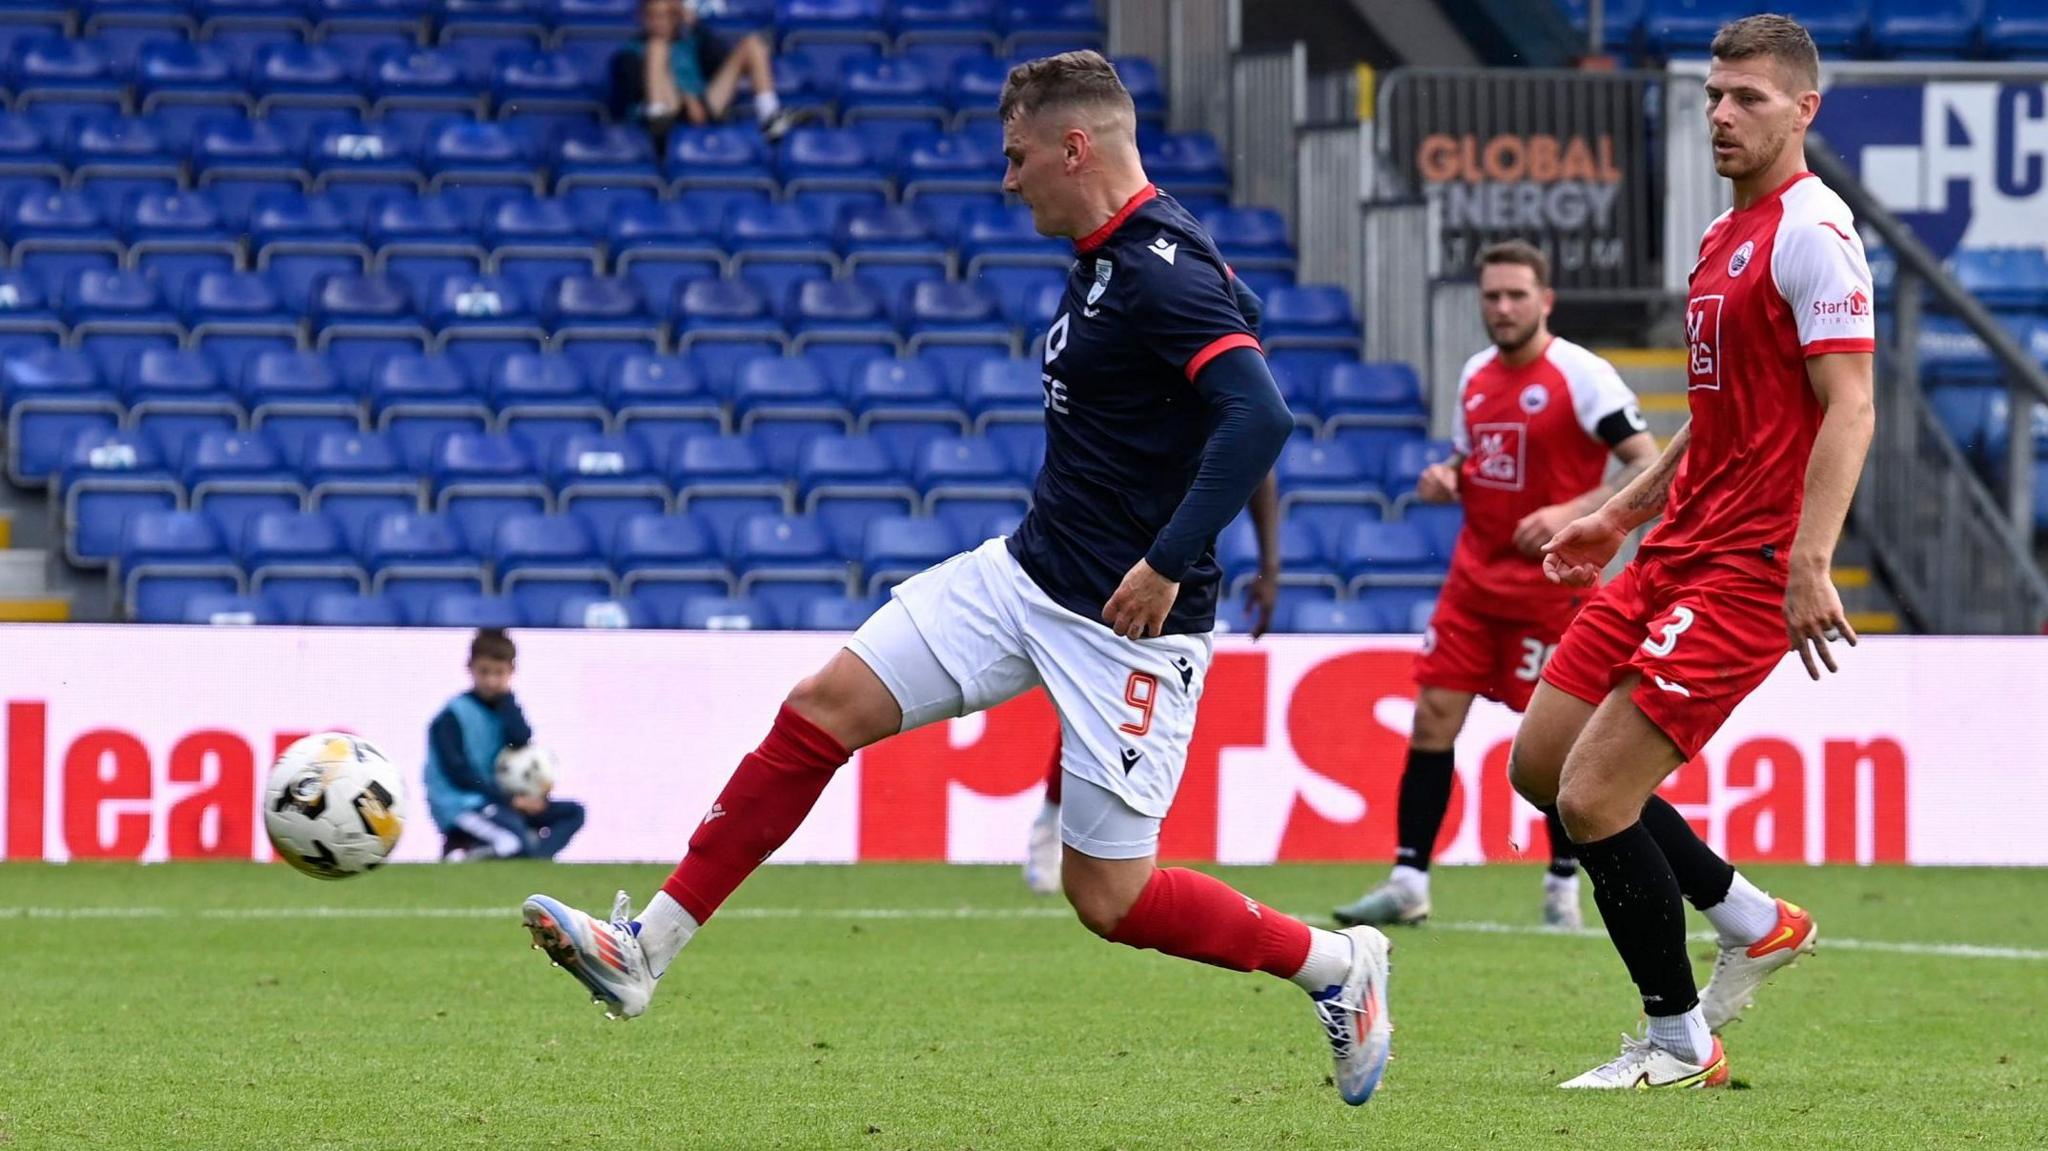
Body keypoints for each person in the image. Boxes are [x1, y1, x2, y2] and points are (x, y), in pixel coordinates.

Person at [521, 51, 1395, 1106]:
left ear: (1076, 146)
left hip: (1127, 626)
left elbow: (1259, 415)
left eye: (1017, 155)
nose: (1006, 177)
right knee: (820, 706)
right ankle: (641, 949)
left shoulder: (1161, 271)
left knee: (1108, 897)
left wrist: (1167, 559)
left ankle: (1338, 966)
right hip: (1024, 574)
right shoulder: (1121, 255)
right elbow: (1220, 351)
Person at [1510, 14, 1870, 1089]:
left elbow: (1849, 404)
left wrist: (1811, 558)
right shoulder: (1723, 237)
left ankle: (1677, 1039)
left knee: (1591, 800)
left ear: (1802, 108)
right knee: (1540, 766)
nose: (1719, 114)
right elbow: (1713, 419)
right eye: (1712, 95)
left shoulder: (1812, 231)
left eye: (1746, 98)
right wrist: (1616, 516)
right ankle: (1751, 918)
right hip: (1671, 548)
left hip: (1747, 567)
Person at [1332, 240, 1659, 930]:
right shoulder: (1476, 375)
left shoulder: (1582, 375)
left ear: (1546, 300)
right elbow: (1471, 457)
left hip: (1556, 588)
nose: (1503, 307)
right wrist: (1447, 477)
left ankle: (1563, 884)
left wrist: (1573, 511)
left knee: (1558, 746)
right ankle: (1408, 879)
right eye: (1492, 296)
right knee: (1431, 719)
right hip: (1475, 583)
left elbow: (1648, 461)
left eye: (1516, 295)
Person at [1025, 285, 1282, 896]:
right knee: (1090, 700)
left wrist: (1271, 567)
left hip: (1169, 575)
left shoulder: (1230, 387)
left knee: (1118, 706)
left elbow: (1258, 464)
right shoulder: (1144, 359)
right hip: (1098, 552)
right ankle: (1058, 824)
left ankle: (1093, 840)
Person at [424, 628, 586, 861]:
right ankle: (463, 855)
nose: (491, 681)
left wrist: (508, 700)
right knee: (513, 842)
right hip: (465, 806)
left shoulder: (504, 708)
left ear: (511, 671)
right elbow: (459, 774)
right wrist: (511, 801)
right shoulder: (452, 716)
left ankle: (537, 860)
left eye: (499, 673)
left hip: (500, 802)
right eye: (484, 672)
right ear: (470, 668)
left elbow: (521, 740)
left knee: (573, 813)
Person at [608, 0, 803, 144]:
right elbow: (632, 91)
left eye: (668, 15)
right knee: (658, 47)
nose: (661, 22)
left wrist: (696, 26)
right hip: (661, 113)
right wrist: (683, 99)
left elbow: (718, 60)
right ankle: (659, 116)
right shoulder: (631, 52)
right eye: (655, 16)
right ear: (643, 18)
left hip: (702, 104)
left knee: (752, 44)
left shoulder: (693, 41)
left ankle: (769, 115)